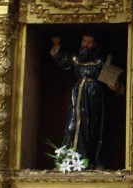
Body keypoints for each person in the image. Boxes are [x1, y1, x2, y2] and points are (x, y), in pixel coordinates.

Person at [50, 34, 123, 169]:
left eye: (89, 42)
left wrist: (115, 86)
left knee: (93, 127)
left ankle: (90, 161)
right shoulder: (76, 60)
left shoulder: (100, 62)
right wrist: (57, 46)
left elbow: (113, 80)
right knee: (72, 125)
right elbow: (64, 60)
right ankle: (68, 160)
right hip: (78, 98)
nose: (85, 45)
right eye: (84, 41)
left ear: (94, 44)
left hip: (95, 98)